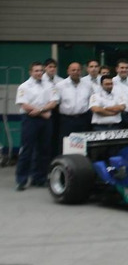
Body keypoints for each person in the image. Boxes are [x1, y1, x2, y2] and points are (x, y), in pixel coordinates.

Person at [15, 62, 58, 190]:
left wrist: (40, 111)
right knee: (27, 150)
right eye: (36, 71)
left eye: (40, 71)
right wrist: (42, 112)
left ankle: (39, 178)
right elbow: (24, 105)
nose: (39, 73)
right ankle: (21, 180)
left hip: (44, 120)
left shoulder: (50, 85)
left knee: (44, 150)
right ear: (31, 72)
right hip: (30, 119)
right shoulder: (24, 86)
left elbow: (53, 102)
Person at [55, 62, 93, 152]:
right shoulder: (60, 86)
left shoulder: (87, 85)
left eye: (78, 70)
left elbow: (91, 101)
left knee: (82, 145)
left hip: (83, 119)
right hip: (66, 120)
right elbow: (56, 103)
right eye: (73, 70)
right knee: (65, 144)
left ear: (81, 71)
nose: (76, 72)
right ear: (68, 71)